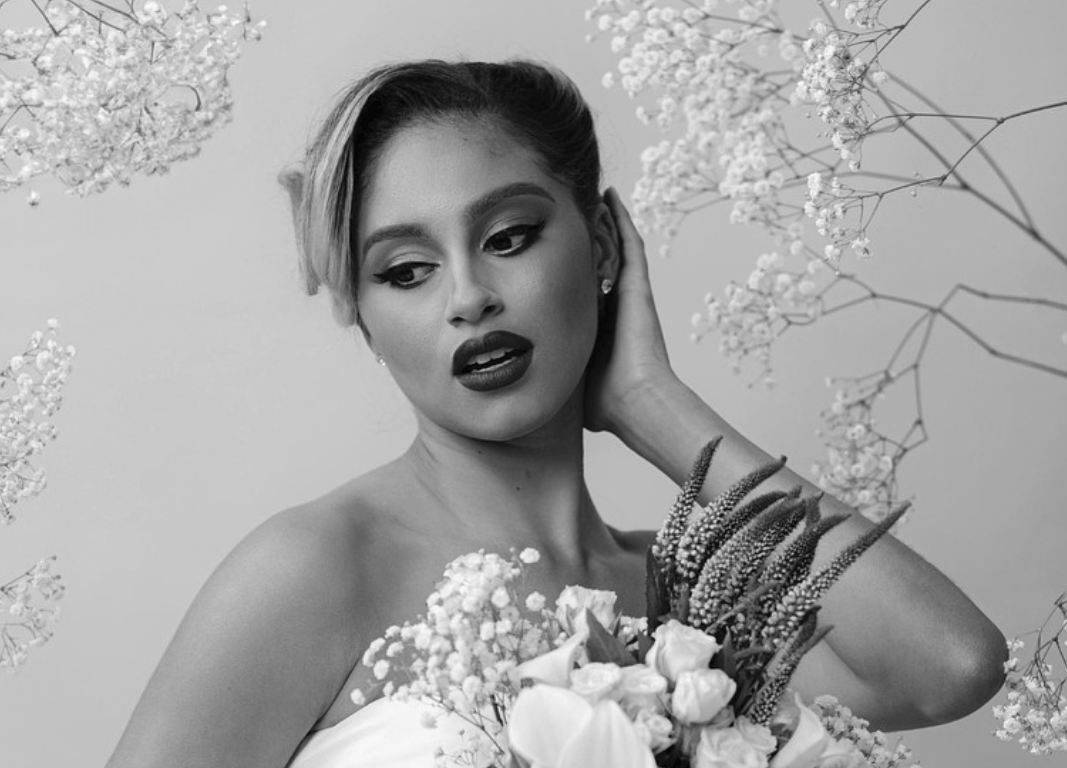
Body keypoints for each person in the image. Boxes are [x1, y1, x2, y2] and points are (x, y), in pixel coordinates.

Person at [104, 59, 1006, 768]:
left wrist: (655, 406)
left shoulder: (691, 604)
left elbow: (951, 667)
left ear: (602, 243)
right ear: (363, 313)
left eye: (507, 238)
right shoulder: (315, 570)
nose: (468, 298)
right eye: (404, 271)